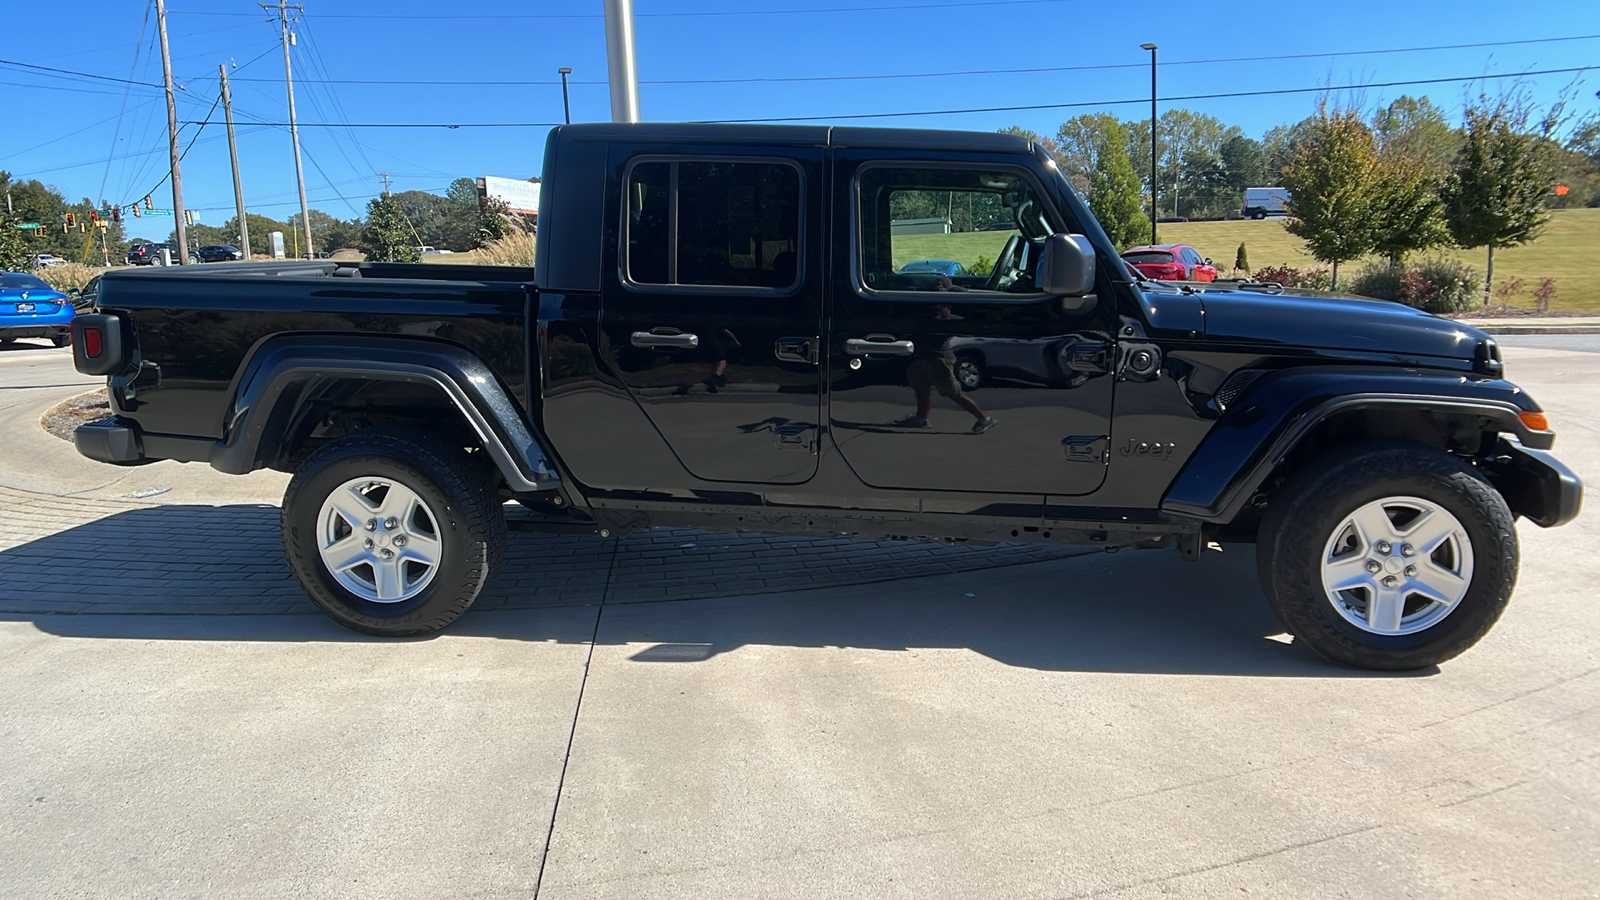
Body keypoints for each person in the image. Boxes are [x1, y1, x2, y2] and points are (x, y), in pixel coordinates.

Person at [895, 300, 996, 434]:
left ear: (948, 309)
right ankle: (921, 418)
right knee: (921, 388)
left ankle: (984, 418)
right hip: (921, 358)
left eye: (939, 310)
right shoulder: (923, 318)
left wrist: (947, 325)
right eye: (932, 310)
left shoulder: (951, 321)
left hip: (939, 359)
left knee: (952, 392)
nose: (934, 312)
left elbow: (968, 330)